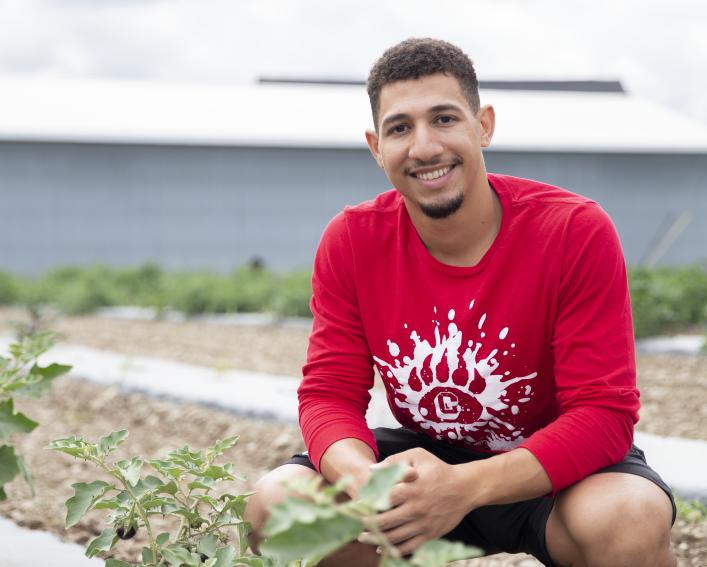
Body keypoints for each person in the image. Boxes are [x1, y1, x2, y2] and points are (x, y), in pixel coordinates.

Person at [244, 38, 676, 567]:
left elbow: (603, 413)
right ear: (376, 146)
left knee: (628, 517)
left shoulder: (572, 230)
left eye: (444, 119)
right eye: (400, 128)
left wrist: (465, 486)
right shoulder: (353, 239)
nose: (424, 147)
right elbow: (329, 393)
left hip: (550, 471)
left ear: (484, 125)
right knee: (279, 505)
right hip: (419, 462)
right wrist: (365, 480)